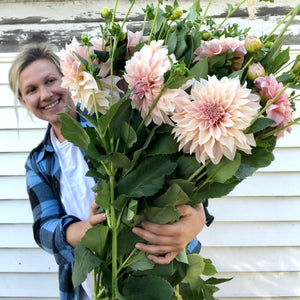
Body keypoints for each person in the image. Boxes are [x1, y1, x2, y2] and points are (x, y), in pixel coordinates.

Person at [8, 43, 213, 300]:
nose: (45, 94)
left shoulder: (109, 122)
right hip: (92, 287)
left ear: (69, 78)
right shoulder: (38, 161)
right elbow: (44, 228)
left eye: (51, 80)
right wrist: (87, 229)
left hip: (157, 267)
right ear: (22, 100)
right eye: (31, 90)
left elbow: (174, 169)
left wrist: (197, 217)